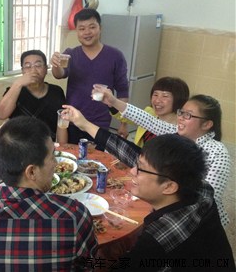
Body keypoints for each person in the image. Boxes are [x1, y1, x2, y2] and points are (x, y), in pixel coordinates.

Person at [63, 91, 231, 226]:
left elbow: (206, 200)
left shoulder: (218, 153)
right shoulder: (177, 135)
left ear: (207, 124)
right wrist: (113, 102)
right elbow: (147, 120)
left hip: (198, 222)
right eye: (181, 113)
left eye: (188, 115)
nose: (180, 118)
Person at [0, 116, 98, 271]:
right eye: (52, 157)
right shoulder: (74, 215)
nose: (55, 164)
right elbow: (88, 266)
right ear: (32, 171)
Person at [111, 135, 233, 271]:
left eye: (140, 168)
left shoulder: (157, 237)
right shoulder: (202, 189)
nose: (132, 171)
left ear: (169, 187)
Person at [50, 8, 129, 143]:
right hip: (73, 120)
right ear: (77, 31)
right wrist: (55, 65)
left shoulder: (115, 56)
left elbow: (123, 91)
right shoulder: (71, 54)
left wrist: (124, 124)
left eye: (92, 27)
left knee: (96, 162)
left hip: (100, 124)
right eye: (82, 28)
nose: (87, 32)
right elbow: (59, 75)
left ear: (100, 28)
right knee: (72, 160)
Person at [0, 49, 67, 143]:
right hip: (19, 147)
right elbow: (1, 115)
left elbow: (61, 124)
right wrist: (18, 83)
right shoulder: (15, 90)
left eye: (38, 65)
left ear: (46, 69)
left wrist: (63, 150)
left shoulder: (56, 91)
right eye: (27, 66)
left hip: (47, 147)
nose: (33, 70)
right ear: (22, 71)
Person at [111, 77, 189, 147]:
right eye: (155, 95)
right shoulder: (150, 112)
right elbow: (128, 116)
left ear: (178, 100)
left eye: (165, 96)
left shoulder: (182, 129)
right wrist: (111, 105)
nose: (157, 100)